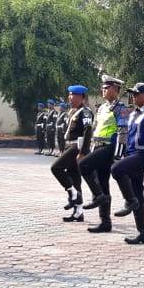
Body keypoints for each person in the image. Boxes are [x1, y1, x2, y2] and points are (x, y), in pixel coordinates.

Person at [111, 82, 144, 245]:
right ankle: (143, 233)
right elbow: (123, 135)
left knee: (117, 170)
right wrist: (118, 155)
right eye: (132, 94)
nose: (133, 96)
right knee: (138, 192)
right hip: (132, 154)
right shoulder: (132, 114)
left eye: (136, 94)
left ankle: (130, 200)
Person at [79, 75, 128, 233]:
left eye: (107, 88)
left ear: (115, 89)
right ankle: (105, 222)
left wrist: (118, 155)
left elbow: (123, 132)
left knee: (83, 165)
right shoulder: (102, 108)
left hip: (109, 148)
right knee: (103, 182)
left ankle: (98, 195)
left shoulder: (121, 108)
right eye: (103, 88)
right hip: (98, 146)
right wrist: (90, 148)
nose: (103, 90)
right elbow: (95, 129)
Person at [50, 85, 94, 223]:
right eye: (69, 94)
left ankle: (72, 193)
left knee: (55, 168)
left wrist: (83, 152)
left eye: (73, 95)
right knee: (75, 178)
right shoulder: (73, 111)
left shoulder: (85, 112)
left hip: (77, 148)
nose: (70, 97)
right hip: (70, 146)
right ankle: (78, 212)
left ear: (81, 97)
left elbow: (88, 132)